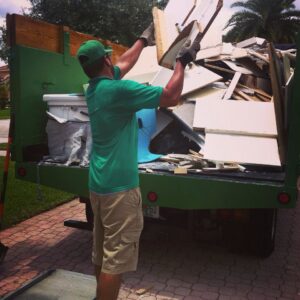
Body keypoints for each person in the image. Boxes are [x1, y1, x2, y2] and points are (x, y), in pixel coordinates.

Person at [76, 24, 200, 300]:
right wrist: (181, 62)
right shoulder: (119, 91)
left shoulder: (94, 89)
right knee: (116, 261)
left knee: (103, 252)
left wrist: (143, 39)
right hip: (120, 190)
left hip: (98, 185)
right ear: (105, 61)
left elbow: (123, 63)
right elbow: (171, 97)